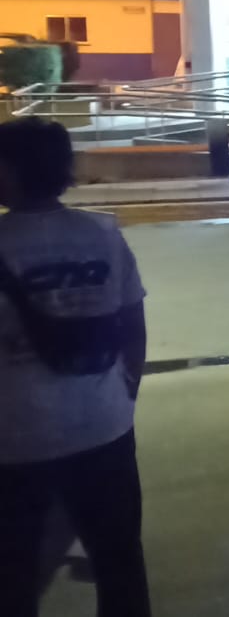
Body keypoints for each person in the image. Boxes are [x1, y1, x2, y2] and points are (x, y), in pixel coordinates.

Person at [0, 117, 151, 617]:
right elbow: (133, 326)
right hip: (104, 425)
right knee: (119, 562)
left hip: (17, 439)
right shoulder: (102, 234)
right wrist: (125, 395)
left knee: (14, 574)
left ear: (11, 171)